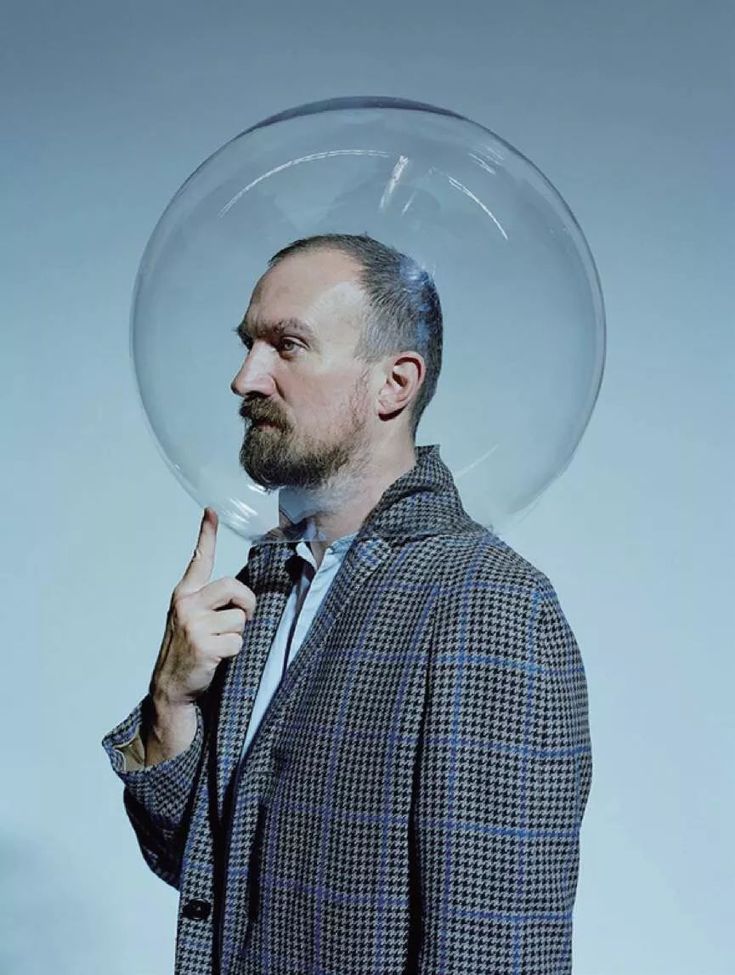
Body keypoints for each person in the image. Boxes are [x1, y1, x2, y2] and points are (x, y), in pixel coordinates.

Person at [101, 233, 593, 975]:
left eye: (287, 345)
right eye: (247, 345)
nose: (244, 378)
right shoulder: (266, 585)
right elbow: (207, 875)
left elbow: (492, 946)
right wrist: (169, 703)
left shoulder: (489, 603)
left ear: (394, 384)